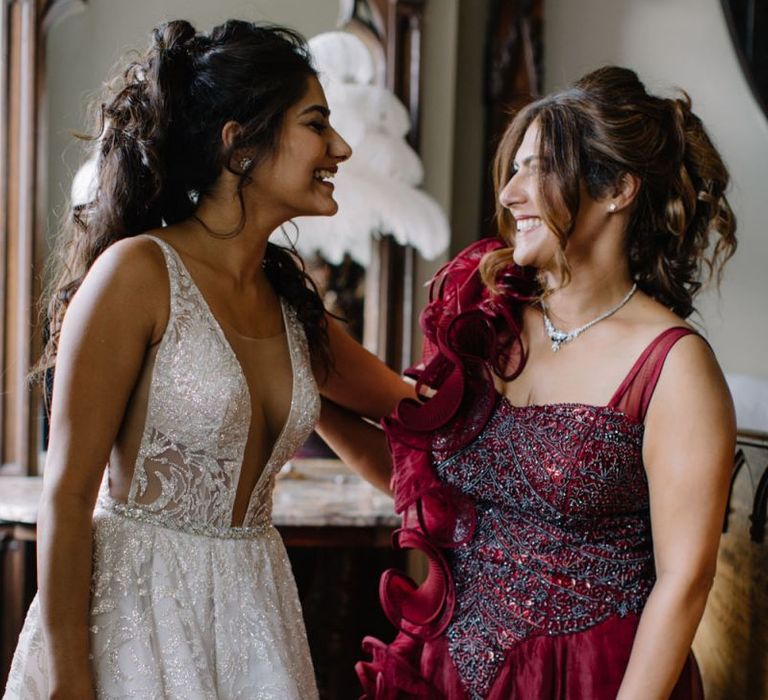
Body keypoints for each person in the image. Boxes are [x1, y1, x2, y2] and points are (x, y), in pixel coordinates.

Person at [4, 19, 410, 700]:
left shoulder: (291, 301)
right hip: (138, 615)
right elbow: (69, 494)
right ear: (239, 145)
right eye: (316, 124)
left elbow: (407, 409)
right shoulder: (136, 274)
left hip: (257, 614)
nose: (339, 147)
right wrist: (70, 677)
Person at [325, 66, 738, 699]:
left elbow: (684, 583)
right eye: (512, 170)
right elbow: (417, 474)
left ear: (618, 189)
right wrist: (308, 396)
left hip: (590, 678)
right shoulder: (484, 328)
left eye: (535, 168)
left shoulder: (674, 367)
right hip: (453, 669)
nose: (511, 193)